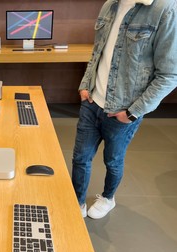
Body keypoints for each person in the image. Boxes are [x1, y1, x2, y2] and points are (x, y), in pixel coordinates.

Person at [72, 0, 177, 219]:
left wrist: (132, 112)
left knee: (113, 160)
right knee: (80, 158)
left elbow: (169, 75)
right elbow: (97, 52)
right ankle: (77, 201)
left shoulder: (164, 9)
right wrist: (85, 85)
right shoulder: (110, 4)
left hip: (123, 111)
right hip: (92, 103)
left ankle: (108, 197)